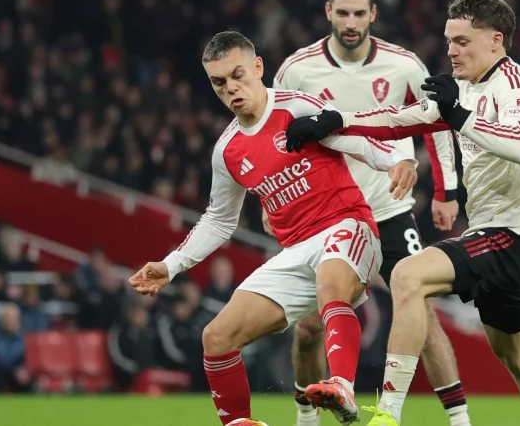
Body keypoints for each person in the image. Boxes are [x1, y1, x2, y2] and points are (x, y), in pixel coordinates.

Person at [285, 0, 520, 426]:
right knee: (518, 356)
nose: (451, 50)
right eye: (449, 39)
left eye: (463, 41)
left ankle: (388, 414)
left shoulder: (515, 86)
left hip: (515, 235)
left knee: (407, 275)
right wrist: (336, 122)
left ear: (496, 41)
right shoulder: (464, 88)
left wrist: (458, 115)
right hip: (492, 232)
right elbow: (400, 118)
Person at [128, 30, 419, 426]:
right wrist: (172, 264)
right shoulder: (227, 150)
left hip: (348, 225)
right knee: (216, 338)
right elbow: (219, 219)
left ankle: (342, 386)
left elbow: (353, 138)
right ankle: (240, 423)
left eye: (238, 75)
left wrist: (398, 161)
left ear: (258, 67)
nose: (231, 88)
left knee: (330, 287)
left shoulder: (295, 107)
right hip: (296, 250)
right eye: (219, 82)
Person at [270, 0, 470, 425]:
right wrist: (272, 202)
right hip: (323, 216)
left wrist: (445, 191)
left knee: (422, 312)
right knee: (307, 328)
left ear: (373, 14)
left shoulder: (404, 66)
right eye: (343, 13)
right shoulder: (297, 70)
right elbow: (275, 139)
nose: (351, 22)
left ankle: (460, 421)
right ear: (328, 12)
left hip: (389, 209)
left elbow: (436, 123)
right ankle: (307, 419)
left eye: (359, 13)